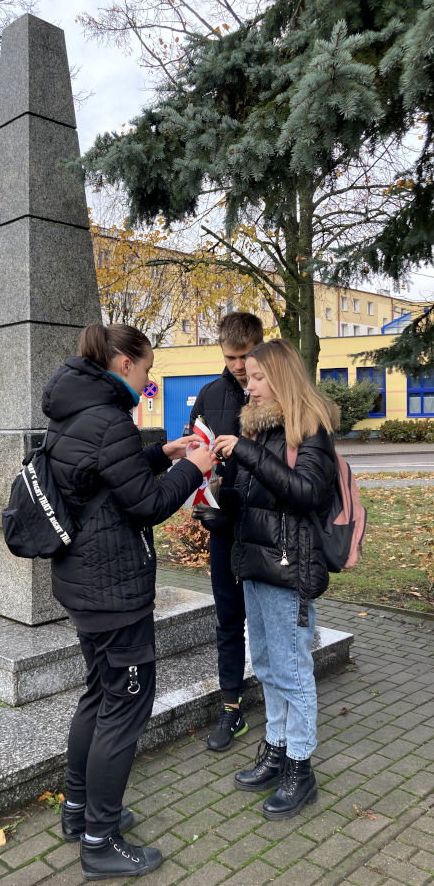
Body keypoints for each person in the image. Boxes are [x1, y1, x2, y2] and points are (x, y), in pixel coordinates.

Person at [41, 322, 213, 880]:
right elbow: (145, 506)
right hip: (113, 591)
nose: (150, 375)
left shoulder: (76, 410)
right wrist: (194, 467)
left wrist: (161, 452)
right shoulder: (110, 418)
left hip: (84, 584)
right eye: (147, 366)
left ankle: (77, 813)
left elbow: (109, 482)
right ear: (122, 363)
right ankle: (100, 840)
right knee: (125, 706)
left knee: (100, 693)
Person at [214, 339, 338, 820]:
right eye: (247, 376)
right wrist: (221, 508)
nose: (249, 383)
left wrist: (246, 452)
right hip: (255, 563)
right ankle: (276, 748)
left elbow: (306, 492)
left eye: (259, 376)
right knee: (265, 664)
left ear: (283, 377)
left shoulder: (310, 430)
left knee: (292, 670)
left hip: (289, 569)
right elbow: (257, 499)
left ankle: (300, 768)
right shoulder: (261, 430)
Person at [188, 311, 263, 751]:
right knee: (228, 620)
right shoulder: (209, 394)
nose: (239, 365)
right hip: (223, 527)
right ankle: (231, 708)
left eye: (246, 356)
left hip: (267, 528)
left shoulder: (276, 393)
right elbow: (192, 449)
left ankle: (282, 702)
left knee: (272, 621)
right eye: (231, 356)